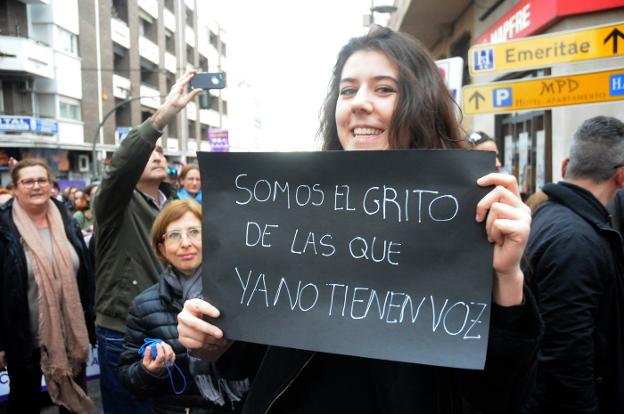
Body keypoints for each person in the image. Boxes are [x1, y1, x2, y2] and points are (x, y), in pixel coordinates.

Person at [176, 26, 540, 414]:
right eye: (348, 90)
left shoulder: (475, 221)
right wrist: (213, 337)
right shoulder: (290, 213)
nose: (359, 103)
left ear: (423, 105)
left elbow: (501, 395)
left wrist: (507, 278)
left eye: (384, 89)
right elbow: (248, 358)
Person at [93, 69, 202, 413]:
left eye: (161, 152)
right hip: (124, 327)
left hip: (173, 326)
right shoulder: (114, 204)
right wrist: (165, 114)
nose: (157, 155)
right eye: (149, 151)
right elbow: (123, 163)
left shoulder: (175, 207)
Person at [522, 116, 624, 414]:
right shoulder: (576, 241)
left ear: (566, 166)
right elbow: (567, 359)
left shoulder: (548, 216)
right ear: (620, 178)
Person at [118, 199, 238, 413]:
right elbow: (129, 378)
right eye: (174, 235)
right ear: (161, 248)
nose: (185, 243)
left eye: (194, 231)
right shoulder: (144, 305)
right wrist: (149, 370)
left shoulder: (238, 292)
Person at [0, 159, 95, 413]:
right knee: (24, 401)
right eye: (28, 181)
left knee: (75, 399)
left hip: (70, 330)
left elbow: (85, 273)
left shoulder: (66, 219)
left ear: (51, 185)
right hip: (23, 336)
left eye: (42, 180)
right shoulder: (4, 227)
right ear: (15, 188)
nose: (36, 186)